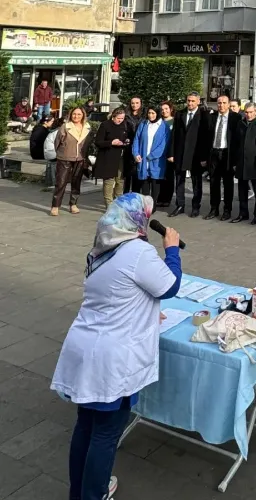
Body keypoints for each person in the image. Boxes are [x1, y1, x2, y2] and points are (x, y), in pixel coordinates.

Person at [51, 194, 182, 500]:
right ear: (138, 221)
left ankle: (80, 492)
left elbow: (117, 291)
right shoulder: (138, 251)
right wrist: (172, 250)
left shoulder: (102, 248)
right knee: (106, 433)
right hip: (111, 357)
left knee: (86, 426)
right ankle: (94, 494)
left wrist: (144, 308)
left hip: (86, 346)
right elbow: (170, 285)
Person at [167, 93, 209, 218]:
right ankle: (180, 205)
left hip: (196, 154)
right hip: (180, 153)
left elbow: (205, 138)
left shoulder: (203, 115)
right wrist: (172, 153)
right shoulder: (180, 114)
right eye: (188, 101)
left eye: (192, 101)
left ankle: (196, 206)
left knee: (197, 182)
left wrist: (204, 157)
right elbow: (174, 135)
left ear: (198, 102)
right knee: (179, 180)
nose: (190, 103)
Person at [205, 95, 241, 221]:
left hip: (227, 154)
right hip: (214, 153)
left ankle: (227, 210)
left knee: (228, 183)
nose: (221, 105)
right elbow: (206, 138)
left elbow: (238, 140)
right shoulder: (212, 117)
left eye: (224, 103)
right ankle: (214, 209)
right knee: (214, 182)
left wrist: (236, 160)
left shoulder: (235, 118)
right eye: (219, 103)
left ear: (229, 104)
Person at [51, 107, 92, 217]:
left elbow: (88, 144)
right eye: (74, 114)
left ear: (83, 115)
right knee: (61, 182)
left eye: (79, 114)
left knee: (76, 182)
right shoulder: (65, 127)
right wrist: (62, 152)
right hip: (65, 157)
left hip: (80, 158)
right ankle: (55, 206)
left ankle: (73, 204)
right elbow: (57, 142)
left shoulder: (87, 127)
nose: (76, 116)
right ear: (70, 115)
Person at [232, 103, 256, 225]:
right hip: (242, 162)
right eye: (246, 112)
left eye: (251, 112)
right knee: (242, 190)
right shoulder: (240, 124)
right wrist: (235, 161)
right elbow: (235, 143)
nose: (248, 114)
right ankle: (243, 213)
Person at [132, 106, 171, 207]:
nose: (150, 115)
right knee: (144, 181)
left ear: (157, 113)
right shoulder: (143, 124)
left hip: (156, 160)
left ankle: (153, 205)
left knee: (155, 182)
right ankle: (146, 205)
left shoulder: (164, 126)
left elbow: (164, 144)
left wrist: (152, 156)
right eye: (149, 113)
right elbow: (136, 139)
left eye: (153, 113)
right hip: (142, 159)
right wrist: (136, 154)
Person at [94, 108, 131, 209]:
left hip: (120, 157)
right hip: (108, 157)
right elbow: (98, 142)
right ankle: (109, 205)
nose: (120, 120)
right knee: (109, 181)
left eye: (122, 118)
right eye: (118, 118)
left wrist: (126, 141)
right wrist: (111, 143)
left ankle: (118, 202)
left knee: (120, 180)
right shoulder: (105, 125)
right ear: (113, 117)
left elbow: (125, 138)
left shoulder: (124, 125)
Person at [155, 102, 175, 207]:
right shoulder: (158, 122)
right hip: (159, 153)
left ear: (171, 109)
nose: (164, 111)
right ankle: (159, 197)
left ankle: (167, 199)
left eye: (166, 109)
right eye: (162, 109)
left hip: (170, 153)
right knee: (159, 176)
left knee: (169, 176)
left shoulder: (175, 121)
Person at [123, 97, 144, 194]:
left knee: (137, 173)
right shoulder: (126, 115)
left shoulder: (144, 115)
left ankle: (136, 194)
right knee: (127, 174)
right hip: (128, 145)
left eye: (137, 103)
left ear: (140, 103)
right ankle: (125, 195)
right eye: (132, 103)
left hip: (140, 146)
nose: (134, 105)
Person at [42, 117, 61, 190]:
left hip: (50, 153)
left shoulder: (54, 131)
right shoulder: (58, 132)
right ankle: (56, 184)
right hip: (53, 154)